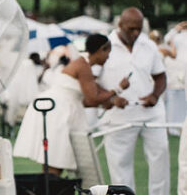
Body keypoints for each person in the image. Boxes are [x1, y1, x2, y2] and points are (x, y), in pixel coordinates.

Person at [14, 34, 121, 176]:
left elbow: (87, 100)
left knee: (55, 160)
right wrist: (117, 89)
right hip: (57, 111)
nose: (108, 57)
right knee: (56, 159)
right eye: (108, 52)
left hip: (59, 108)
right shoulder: (83, 66)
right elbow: (93, 98)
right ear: (102, 49)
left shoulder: (83, 65)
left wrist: (110, 101)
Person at [98, 8, 170, 195]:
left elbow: (161, 77)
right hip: (119, 116)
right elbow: (93, 83)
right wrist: (112, 99)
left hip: (151, 113)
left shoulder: (148, 45)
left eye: (138, 29)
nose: (136, 33)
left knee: (160, 158)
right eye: (131, 29)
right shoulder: (105, 45)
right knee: (120, 166)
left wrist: (154, 95)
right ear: (120, 25)